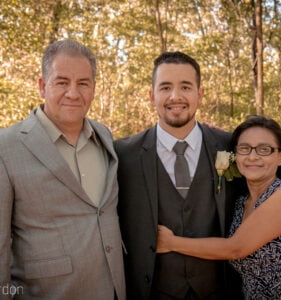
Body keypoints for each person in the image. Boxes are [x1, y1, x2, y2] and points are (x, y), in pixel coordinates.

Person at [0, 40, 125, 299]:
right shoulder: (6, 147)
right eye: (62, 82)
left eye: (83, 83)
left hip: (112, 289)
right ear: (43, 86)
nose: (73, 93)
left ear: (92, 89)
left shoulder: (104, 136)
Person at [115, 52, 242, 299]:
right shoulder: (123, 154)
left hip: (220, 290)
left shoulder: (230, 146)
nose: (176, 97)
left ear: (200, 94)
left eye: (185, 86)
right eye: (165, 87)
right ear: (152, 96)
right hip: (151, 291)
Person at [157, 116, 281, 299]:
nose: (252, 156)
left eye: (264, 149)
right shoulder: (241, 203)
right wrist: (211, 137)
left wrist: (171, 242)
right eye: (244, 148)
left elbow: (235, 248)